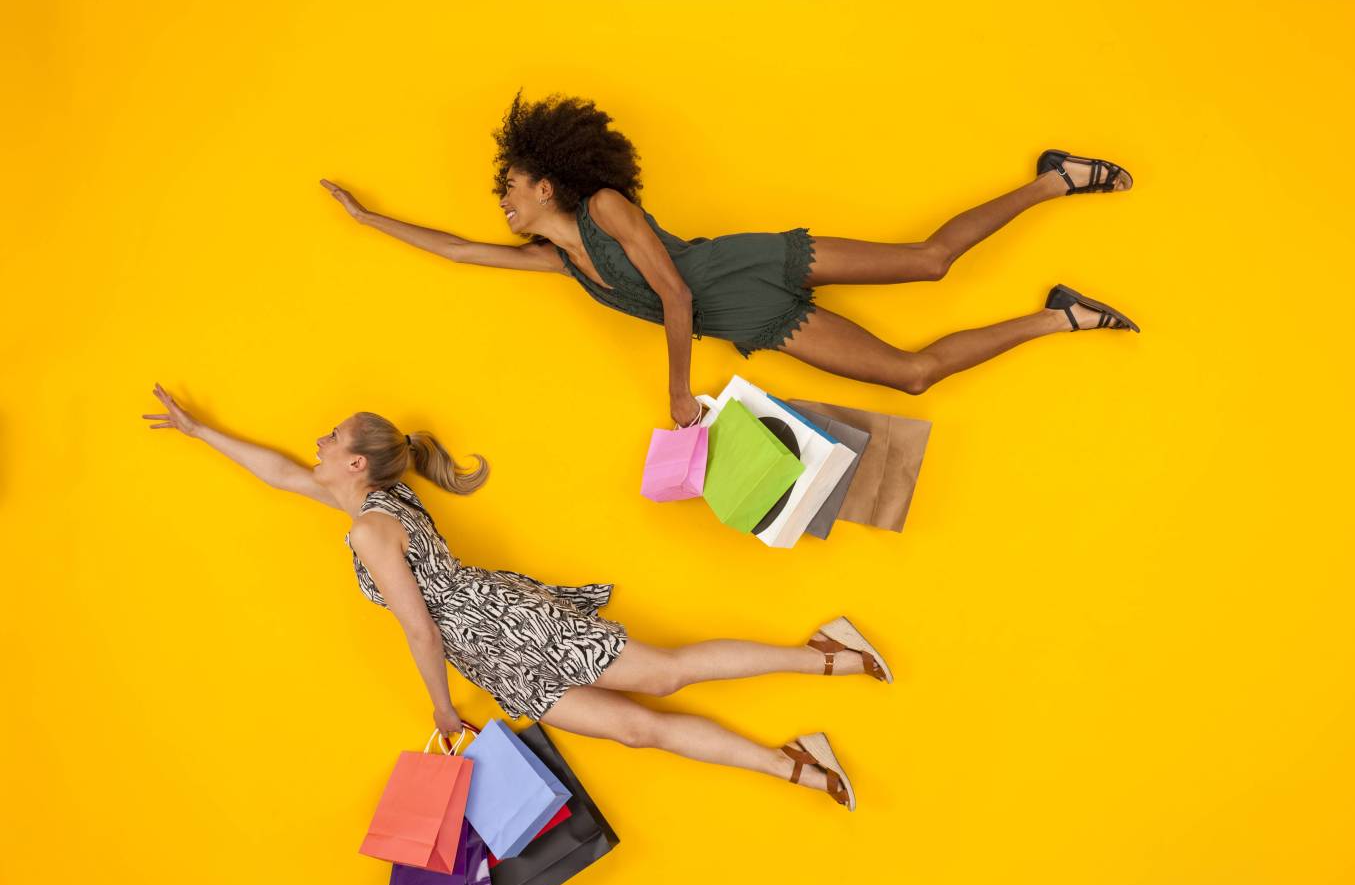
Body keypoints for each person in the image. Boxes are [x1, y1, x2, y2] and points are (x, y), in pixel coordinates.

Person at [142, 384, 892, 810]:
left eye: (329, 435)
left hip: (501, 626)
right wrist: (199, 431)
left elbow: (419, 631)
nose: (316, 441)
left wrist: (439, 707)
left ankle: (824, 652)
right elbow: (277, 471)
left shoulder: (372, 526)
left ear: (355, 462)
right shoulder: (366, 502)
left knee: (664, 675)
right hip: (493, 654)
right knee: (638, 731)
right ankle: (790, 762)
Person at [323, 92, 1139, 426]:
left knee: (930, 263)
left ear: (545, 180)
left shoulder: (606, 208)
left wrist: (678, 391)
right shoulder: (560, 263)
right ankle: (1057, 313)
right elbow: (463, 251)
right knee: (913, 375)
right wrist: (369, 219)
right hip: (752, 320)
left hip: (740, 273)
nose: (503, 203)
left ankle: (1051, 181)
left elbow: (676, 295)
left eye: (510, 187)